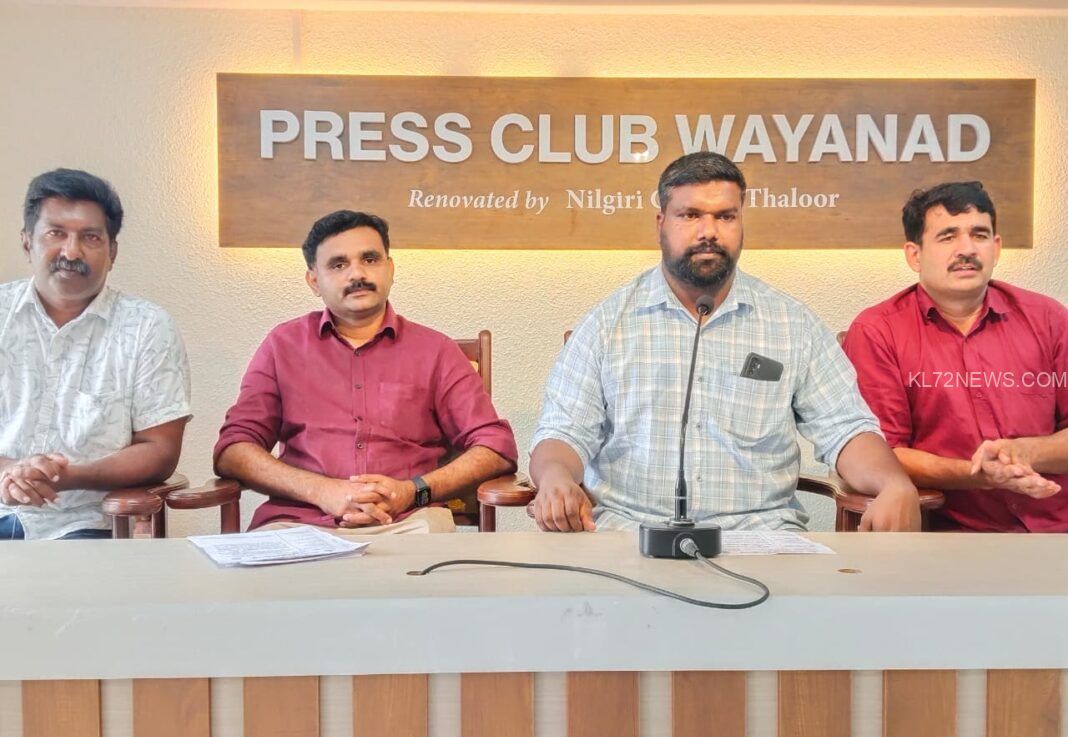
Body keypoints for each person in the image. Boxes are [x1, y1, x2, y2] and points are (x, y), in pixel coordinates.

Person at [530, 151, 920, 533]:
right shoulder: (607, 324)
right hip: (632, 533)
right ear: (661, 223)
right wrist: (555, 477)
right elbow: (563, 432)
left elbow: (845, 429)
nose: (709, 232)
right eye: (690, 215)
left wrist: (893, 483)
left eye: (725, 216)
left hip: (760, 535)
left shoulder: (792, 324)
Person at [214, 210, 518, 532]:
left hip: (410, 522)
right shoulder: (283, 346)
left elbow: (496, 447)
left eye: (370, 259)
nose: (357, 273)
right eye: (338, 265)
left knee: (431, 560)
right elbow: (233, 449)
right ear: (314, 281)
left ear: (390, 269)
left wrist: (412, 492)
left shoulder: (436, 351)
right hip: (299, 523)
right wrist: (321, 490)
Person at [843, 182, 1067, 531]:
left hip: (1055, 530)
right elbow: (881, 452)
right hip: (948, 534)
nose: (967, 249)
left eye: (979, 235)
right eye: (947, 237)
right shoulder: (878, 331)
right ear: (914, 255)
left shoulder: (1049, 319)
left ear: (996, 247)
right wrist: (977, 473)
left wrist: (1024, 452)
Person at [0, 169, 191, 540]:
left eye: (90, 237)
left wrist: (68, 476)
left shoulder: (146, 327)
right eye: (56, 233)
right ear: (27, 242)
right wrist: (9, 472)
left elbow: (160, 450)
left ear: (112, 252)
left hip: (86, 524)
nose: (71, 252)